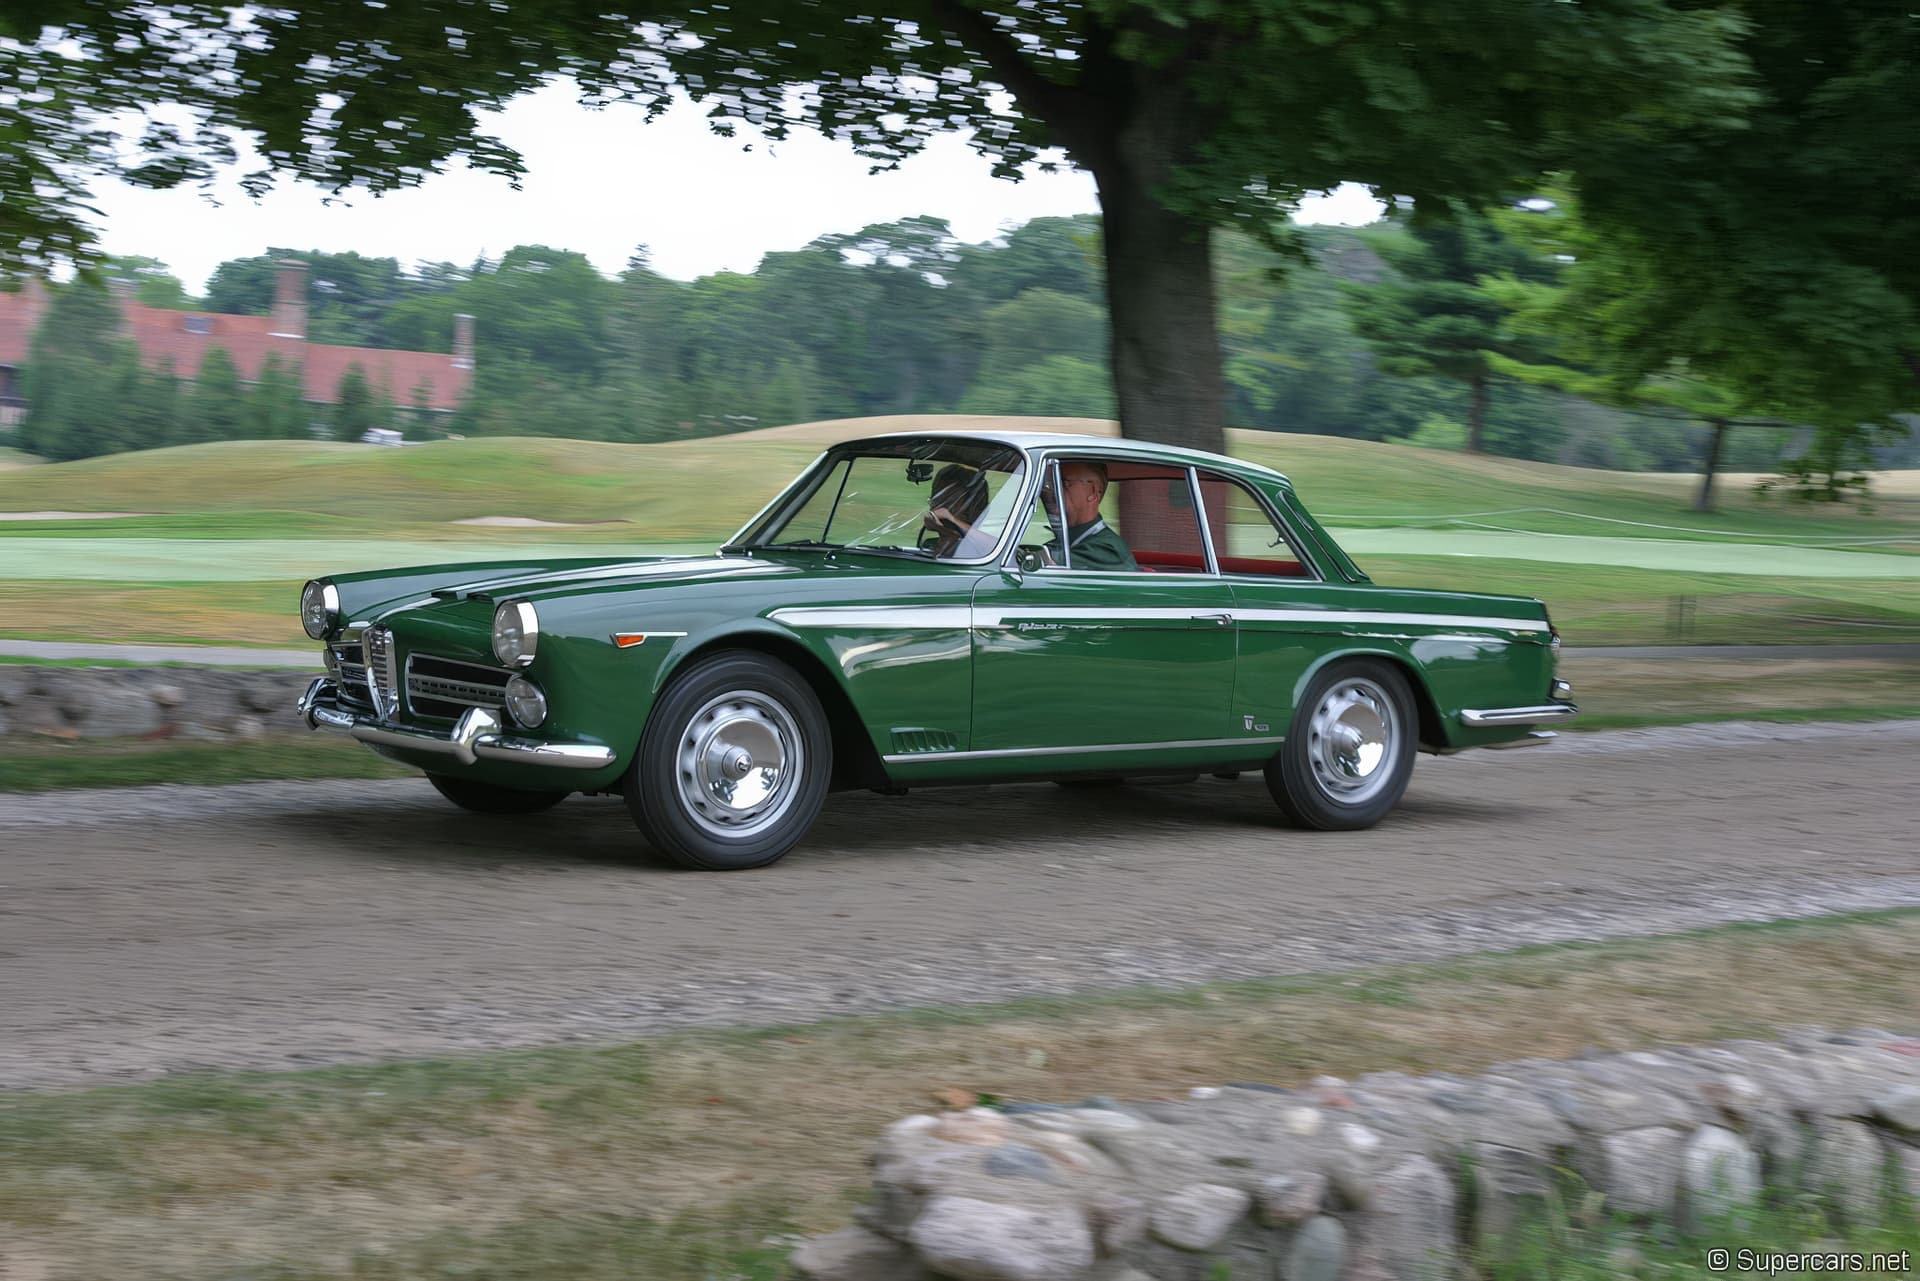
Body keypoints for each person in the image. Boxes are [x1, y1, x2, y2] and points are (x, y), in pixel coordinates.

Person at [1041, 460, 1137, 571]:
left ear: (1093, 492)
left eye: (1063, 482)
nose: (1052, 490)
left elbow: (1042, 564)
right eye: (1051, 483)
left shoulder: (1106, 550)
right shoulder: (1067, 540)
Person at [922, 463, 992, 558]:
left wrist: (951, 520)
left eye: (948, 501)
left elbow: (993, 546)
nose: (937, 507)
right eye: (936, 499)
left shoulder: (986, 551)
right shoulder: (933, 545)